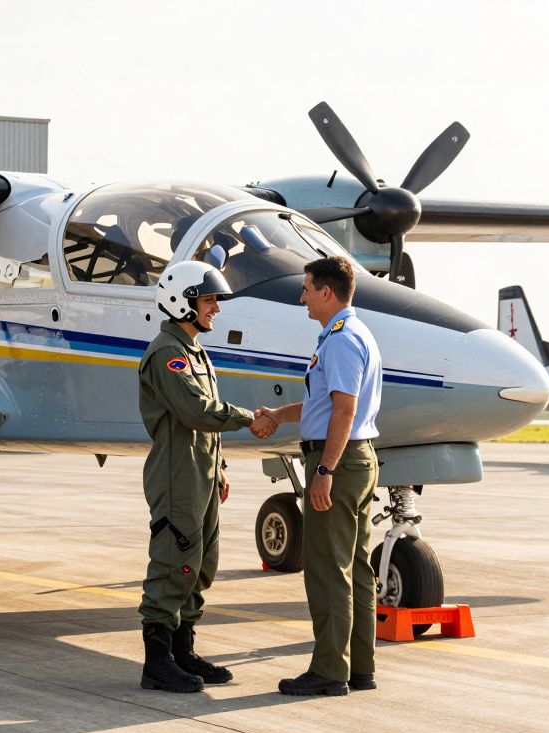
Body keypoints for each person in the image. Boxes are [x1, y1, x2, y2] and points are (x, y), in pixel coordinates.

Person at [137, 260, 278, 693]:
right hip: (178, 474)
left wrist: (219, 468)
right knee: (174, 562)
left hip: (200, 472)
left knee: (201, 565)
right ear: (183, 302)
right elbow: (195, 411)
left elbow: (201, 419)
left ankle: (183, 651)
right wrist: (247, 418)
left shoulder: (193, 351)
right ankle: (157, 663)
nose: (215, 308)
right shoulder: (167, 353)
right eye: (209, 299)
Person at [259, 256, 382, 696]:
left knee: (329, 570)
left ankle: (330, 672)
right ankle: (358, 668)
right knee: (356, 570)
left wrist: (325, 469)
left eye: (308, 288)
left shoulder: (342, 340)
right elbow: (325, 406)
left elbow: (344, 410)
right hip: (356, 458)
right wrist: (279, 414)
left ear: (327, 292)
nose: (303, 296)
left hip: (340, 461)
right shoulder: (349, 334)